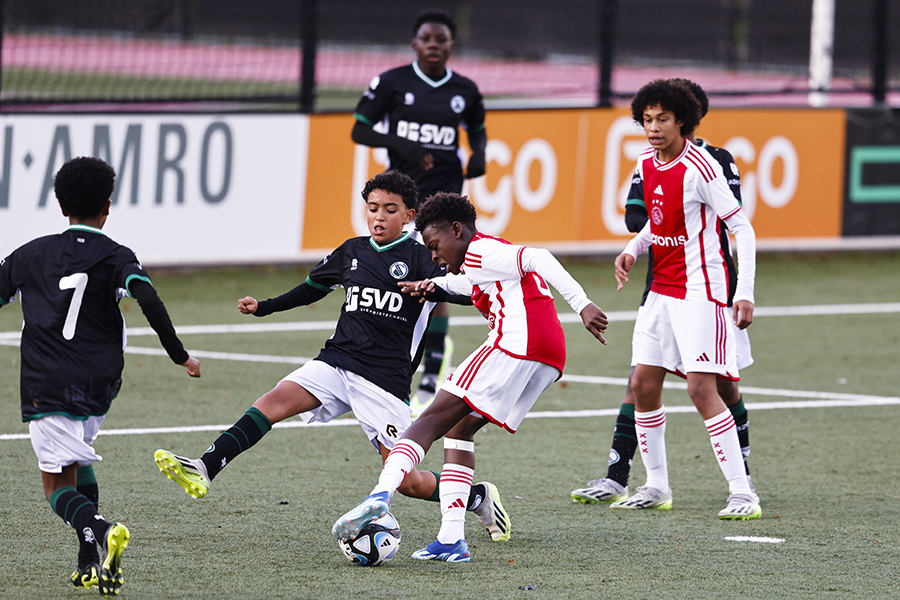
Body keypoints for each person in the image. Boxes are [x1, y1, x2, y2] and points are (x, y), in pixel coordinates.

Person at [152, 171, 510, 542]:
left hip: (384, 381)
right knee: (271, 403)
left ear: (409, 216)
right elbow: (311, 289)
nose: (379, 217)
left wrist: (491, 302)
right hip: (337, 361)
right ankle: (205, 467)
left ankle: (476, 497)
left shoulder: (424, 259)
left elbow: (468, 290)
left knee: (408, 482)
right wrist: (264, 306)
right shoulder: (352, 252)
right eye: (373, 208)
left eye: (390, 210)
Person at [332, 192, 609, 562]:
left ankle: (380, 495)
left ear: (457, 230)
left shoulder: (480, 250)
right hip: (547, 354)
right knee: (458, 429)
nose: (433, 257)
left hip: (517, 342)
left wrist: (582, 304)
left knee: (430, 418)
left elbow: (539, 257)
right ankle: (451, 539)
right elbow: (472, 285)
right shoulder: (481, 262)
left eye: (435, 246)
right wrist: (435, 285)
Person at [0, 156, 202, 595]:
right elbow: (148, 299)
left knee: (56, 486)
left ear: (61, 206)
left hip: (47, 383)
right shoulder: (117, 255)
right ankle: (88, 560)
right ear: (107, 207)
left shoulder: (31, 254)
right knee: (78, 458)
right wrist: (180, 355)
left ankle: (104, 528)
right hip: (100, 385)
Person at [571, 79, 755, 506]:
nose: (653, 127)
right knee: (642, 383)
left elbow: (741, 228)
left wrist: (744, 291)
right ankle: (656, 486)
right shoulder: (646, 162)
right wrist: (632, 250)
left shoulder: (703, 167)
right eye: (647, 119)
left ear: (682, 122)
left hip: (701, 290)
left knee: (701, 390)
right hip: (660, 290)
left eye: (663, 119)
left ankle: (742, 491)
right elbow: (657, 221)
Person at [351, 9, 487, 415]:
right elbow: (359, 128)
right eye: (426, 38)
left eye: (440, 39)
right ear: (414, 44)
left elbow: (477, 130)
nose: (433, 45)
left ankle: (432, 368)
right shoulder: (392, 82)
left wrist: (478, 154)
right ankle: (399, 360)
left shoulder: (465, 90)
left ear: (451, 46)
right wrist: (403, 145)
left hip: (444, 199)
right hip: (401, 198)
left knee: (437, 276)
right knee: (398, 278)